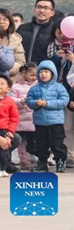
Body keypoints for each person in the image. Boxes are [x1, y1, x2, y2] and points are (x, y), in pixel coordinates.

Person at [27, 60, 69, 173]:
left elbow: (64, 101)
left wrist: (47, 104)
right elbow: (29, 101)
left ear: (53, 73)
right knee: (41, 145)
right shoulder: (34, 88)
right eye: (41, 72)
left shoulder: (59, 87)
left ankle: (60, 161)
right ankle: (42, 163)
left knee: (57, 144)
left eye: (46, 71)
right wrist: (35, 103)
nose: (43, 74)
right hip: (40, 122)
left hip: (56, 122)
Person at [46, 19, 74, 167]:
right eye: (60, 32)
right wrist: (58, 57)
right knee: (67, 125)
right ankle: (70, 155)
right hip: (64, 90)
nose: (64, 36)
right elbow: (49, 68)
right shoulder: (53, 47)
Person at [8, 63, 38, 170]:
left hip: (35, 120)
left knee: (34, 141)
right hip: (21, 120)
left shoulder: (38, 85)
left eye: (36, 75)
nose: (34, 77)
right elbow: (10, 100)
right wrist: (21, 101)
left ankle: (34, 158)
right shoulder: (16, 86)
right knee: (21, 142)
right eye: (32, 75)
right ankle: (24, 160)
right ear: (24, 73)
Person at [17, 0, 56, 64]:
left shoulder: (55, 31)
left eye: (46, 8)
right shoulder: (22, 28)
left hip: (44, 72)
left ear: (52, 13)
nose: (41, 11)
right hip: (22, 70)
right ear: (34, 10)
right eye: (39, 7)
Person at [0, 8, 25, 78]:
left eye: (5, 19)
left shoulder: (15, 40)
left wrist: (3, 71)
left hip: (7, 79)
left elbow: (20, 62)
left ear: (10, 22)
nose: (1, 22)